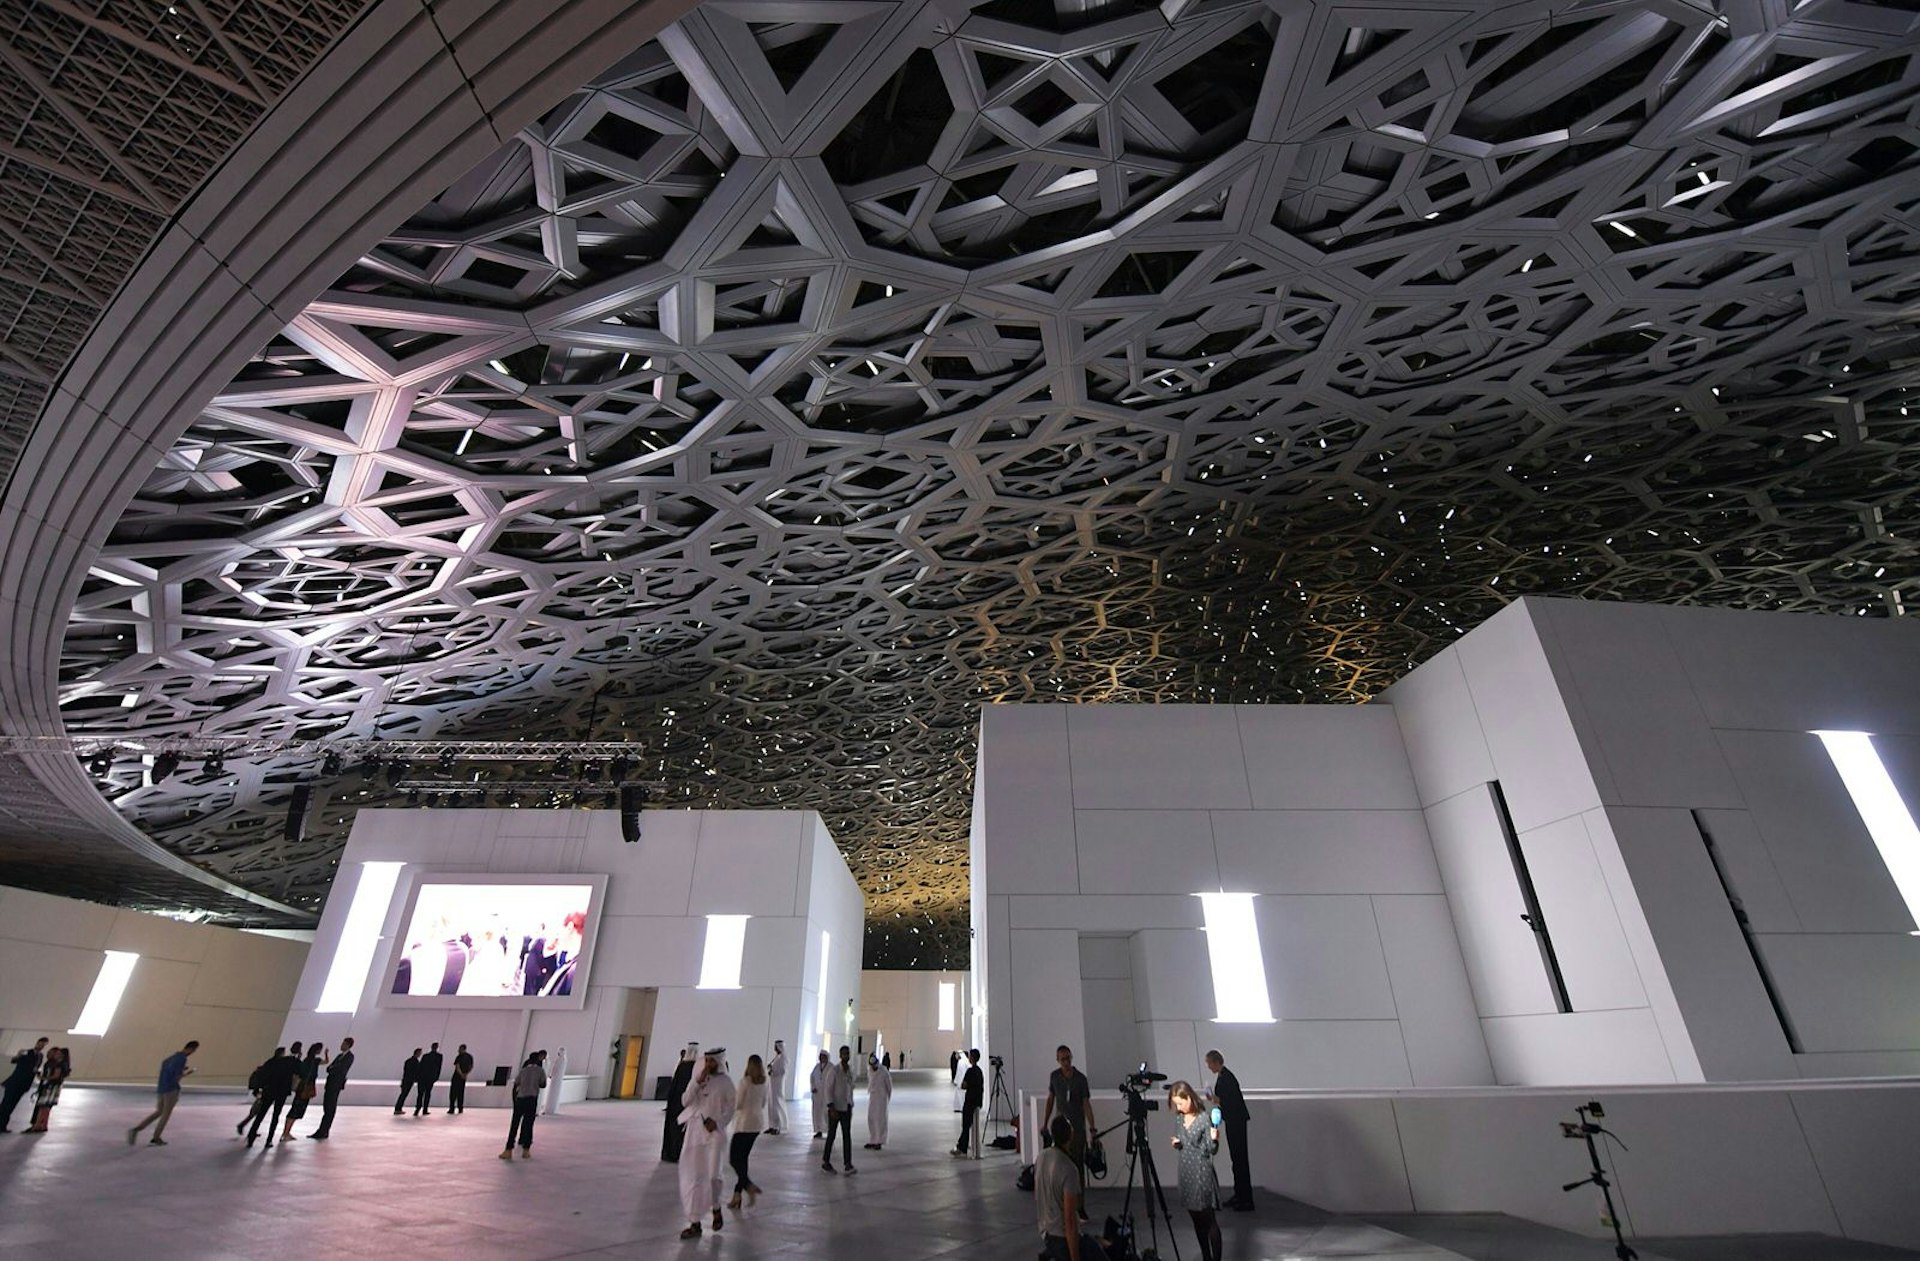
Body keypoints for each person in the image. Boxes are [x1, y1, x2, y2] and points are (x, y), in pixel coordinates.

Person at [677, 1047, 735, 1239]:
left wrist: (717, 1123)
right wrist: (696, 1083)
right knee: (693, 1177)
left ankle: (716, 1207)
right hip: (694, 1133)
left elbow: (731, 1109)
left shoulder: (726, 1083)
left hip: (714, 1135)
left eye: (712, 1062)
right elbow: (685, 1101)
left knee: (712, 1176)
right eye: (707, 1061)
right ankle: (694, 1223)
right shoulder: (698, 1079)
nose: (709, 1065)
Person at [1169, 1080, 1223, 1261]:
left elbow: (1211, 1149)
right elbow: (1182, 1140)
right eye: (1176, 1104)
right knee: (1196, 1221)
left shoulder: (1204, 1118)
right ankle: (1206, 1257)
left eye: (1181, 1102)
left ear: (1190, 1098)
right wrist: (1177, 1143)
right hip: (1185, 1171)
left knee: (1208, 1220)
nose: (1179, 1107)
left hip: (1201, 1172)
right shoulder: (1179, 1118)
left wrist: (1215, 1139)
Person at [1205, 1049, 1252, 1210]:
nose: (1208, 1066)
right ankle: (1240, 1194)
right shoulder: (1225, 1076)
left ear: (1216, 1062)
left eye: (1209, 1063)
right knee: (1237, 1160)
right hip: (1234, 1121)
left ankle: (1245, 1199)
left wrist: (1216, 1099)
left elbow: (1230, 1100)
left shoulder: (1227, 1078)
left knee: (1239, 1160)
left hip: (1236, 1122)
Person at [1043, 1045, 1095, 1190]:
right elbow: (1050, 1099)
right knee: (1060, 1165)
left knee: (1078, 1165)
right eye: (1063, 1059)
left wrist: (1092, 1127)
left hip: (1077, 1129)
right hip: (1060, 1129)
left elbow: (1086, 1104)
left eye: (1068, 1058)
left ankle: (1079, 1203)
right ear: (1058, 1060)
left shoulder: (1080, 1079)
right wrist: (1045, 1123)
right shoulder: (1055, 1077)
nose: (1066, 1062)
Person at [127, 1040, 197, 1146]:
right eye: (194, 1050)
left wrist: (181, 1070)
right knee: (165, 1114)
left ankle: (136, 1130)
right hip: (171, 1090)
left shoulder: (171, 1058)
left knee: (158, 1112)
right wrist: (188, 1073)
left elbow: (168, 1070)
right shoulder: (182, 1059)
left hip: (161, 1088)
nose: (193, 1052)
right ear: (191, 1049)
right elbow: (177, 1077)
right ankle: (156, 1137)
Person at [1036, 1115, 1085, 1260]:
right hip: (1061, 1237)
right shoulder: (1069, 1169)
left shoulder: (1041, 1157)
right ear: (1070, 1135)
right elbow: (1069, 1220)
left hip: (1046, 1232)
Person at [728, 1053, 768, 1209]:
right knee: (743, 1160)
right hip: (757, 1124)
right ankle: (737, 1195)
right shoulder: (764, 1083)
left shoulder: (745, 1082)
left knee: (734, 1160)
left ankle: (748, 1186)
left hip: (744, 1125)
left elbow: (738, 1104)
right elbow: (764, 1103)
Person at [247, 1043, 298, 1147]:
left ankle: (251, 1137)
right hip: (281, 1093)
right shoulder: (288, 1063)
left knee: (260, 1115)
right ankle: (269, 1140)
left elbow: (262, 1076)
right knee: (275, 1116)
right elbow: (298, 1070)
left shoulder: (270, 1063)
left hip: (268, 1091)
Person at [501, 1050, 547, 1158]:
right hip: (532, 1099)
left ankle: (508, 1150)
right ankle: (526, 1150)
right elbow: (543, 1084)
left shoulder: (524, 1070)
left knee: (515, 1124)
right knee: (529, 1124)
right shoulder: (540, 1071)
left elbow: (517, 1082)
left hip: (521, 1099)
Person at [820, 1044, 856, 1175]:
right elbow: (828, 1090)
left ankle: (848, 1164)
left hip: (847, 1108)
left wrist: (850, 1105)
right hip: (835, 1109)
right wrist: (831, 1107)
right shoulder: (834, 1071)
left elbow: (851, 1088)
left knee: (847, 1136)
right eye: (844, 1054)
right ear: (840, 1055)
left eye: (848, 1053)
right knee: (831, 1135)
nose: (846, 1056)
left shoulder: (851, 1071)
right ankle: (826, 1162)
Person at [309, 1036, 354, 1139]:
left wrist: (333, 1068)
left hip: (336, 1085)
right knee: (327, 1107)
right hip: (330, 1084)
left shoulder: (350, 1057)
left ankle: (323, 1131)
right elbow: (329, 1068)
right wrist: (332, 1068)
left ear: (348, 1045)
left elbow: (340, 1069)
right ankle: (323, 1130)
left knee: (330, 1108)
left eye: (344, 1044)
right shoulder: (339, 1056)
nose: (341, 1045)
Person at [280, 1042, 326, 1142]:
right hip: (306, 1089)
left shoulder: (305, 1060)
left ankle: (286, 1132)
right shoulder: (315, 1061)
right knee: (295, 1111)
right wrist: (327, 1053)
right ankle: (286, 1133)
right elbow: (326, 1061)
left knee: (294, 1110)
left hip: (301, 1088)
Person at [0, 1036, 47, 1132]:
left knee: (12, 1105)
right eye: (40, 1043)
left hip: (24, 1085)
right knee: (5, 1104)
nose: (41, 1046)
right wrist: (18, 1055)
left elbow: (35, 1068)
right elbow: (14, 1061)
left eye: (43, 1044)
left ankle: (2, 1126)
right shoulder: (26, 1052)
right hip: (14, 1082)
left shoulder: (40, 1056)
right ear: (37, 1042)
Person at [661, 1043, 697, 1162]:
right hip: (688, 1104)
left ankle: (672, 1153)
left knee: (674, 1129)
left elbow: (674, 1086)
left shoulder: (682, 1066)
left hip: (677, 1104)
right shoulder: (696, 1068)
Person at [237, 1046, 283, 1138]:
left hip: (261, 1090)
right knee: (256, 1112)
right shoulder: (275, 1064)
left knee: (256, 1111)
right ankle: (244, 1126)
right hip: (264, 1091)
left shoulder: (269, 1062)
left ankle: (247, 1127)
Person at [26, 1045, 70, 1132]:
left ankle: (37, 1125)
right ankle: (44, 1125)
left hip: (50, 1087)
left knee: (43, 1106)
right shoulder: (64, 1064)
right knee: (47, 1107)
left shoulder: (59, 1064)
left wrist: (43, 1078)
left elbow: (55, 1076)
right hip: (55, 1087)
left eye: (58, 1053)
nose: (55, 1055)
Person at [954, 1048, 983, 1157]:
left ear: (972, 1058)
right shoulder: (979, 1071)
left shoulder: (970, 1071)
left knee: (966, 1125)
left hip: (970, 1101)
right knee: (968, 1125)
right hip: (977, 1101)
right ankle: (963, 1145)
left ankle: (962, 1147)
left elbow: (963, 1085)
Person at [864, 1053, 891, 1149]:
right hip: (873, 1097)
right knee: (871, 1118)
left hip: (881, 1098)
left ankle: (879, 1141)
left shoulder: (883, 1071)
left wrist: (888, 1097)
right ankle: (873, 1139)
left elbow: (889, 1085)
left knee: (880, 1119)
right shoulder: (870, 1071)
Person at [764, 1039, 788, 1135]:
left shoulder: (783, 1058)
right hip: (772, 1084)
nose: (774, 1048)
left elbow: (782, 1071)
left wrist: (772, 1071)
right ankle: (772, 1125)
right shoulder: (777, 1057)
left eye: (776, 1046)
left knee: (777, 1105)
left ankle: (778, 1126)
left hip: (778, 1085)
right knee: (771, 1105)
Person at [415, 1041, 443, 1115]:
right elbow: (438, 1068)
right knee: (427, 1094)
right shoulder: (439, 1056)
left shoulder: (425, 1056)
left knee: (420, 1094)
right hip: (430, 1078)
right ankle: (425, 1109)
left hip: (422, 1078)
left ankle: (417, 1109)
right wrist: (436, 1077)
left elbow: (420, 1067)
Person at [808, 1049, 831, 1139]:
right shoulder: (817, 1067)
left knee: (826, 1113)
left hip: (826, 1095)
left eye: (823, 1056)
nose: (821, 1058)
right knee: (817, 1113)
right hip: (817, 1094)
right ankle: (818, 1130)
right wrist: (813, 1087)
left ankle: (829, 1130)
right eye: (820, 1056)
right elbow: (812, 1077)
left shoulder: (831, 1067)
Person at [448, 1043, 474, 1114]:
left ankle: (452, 1108)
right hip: (463, 1078)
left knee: (453, 1093)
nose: (458, 1050)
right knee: (461, 1093)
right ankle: (460, 1108)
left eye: (459, 1049)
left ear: (462, 1049)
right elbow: (471, 1066)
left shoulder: (459, 1057)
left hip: (457, 1077)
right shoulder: (469, 1057)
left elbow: (457, 1066)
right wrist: (466, 1074)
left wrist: (461, 1074)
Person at [394, 1047, 421, 1114]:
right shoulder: (415, 1062)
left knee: (403, 1095)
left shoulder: (408, 1061)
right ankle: (398, 1109)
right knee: (403, 1095)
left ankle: (398, 1108)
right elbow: (414, 1072)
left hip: (405, 1080)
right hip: (409, 1081)